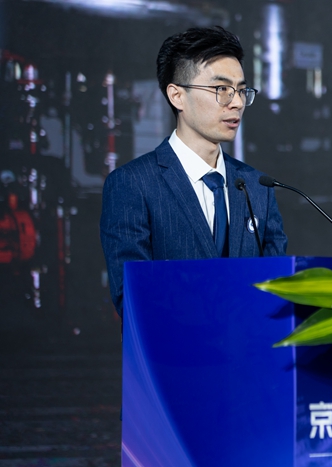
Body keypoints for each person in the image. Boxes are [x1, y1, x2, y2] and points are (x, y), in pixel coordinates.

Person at [100, 26, 287, 317]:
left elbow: (279, 289)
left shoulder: (256, 185)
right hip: (173, 344)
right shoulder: (133, 184)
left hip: (251, 343)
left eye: (241, 90)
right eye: (221, 89)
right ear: (177, 96)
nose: (237, 102)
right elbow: (133, 298)